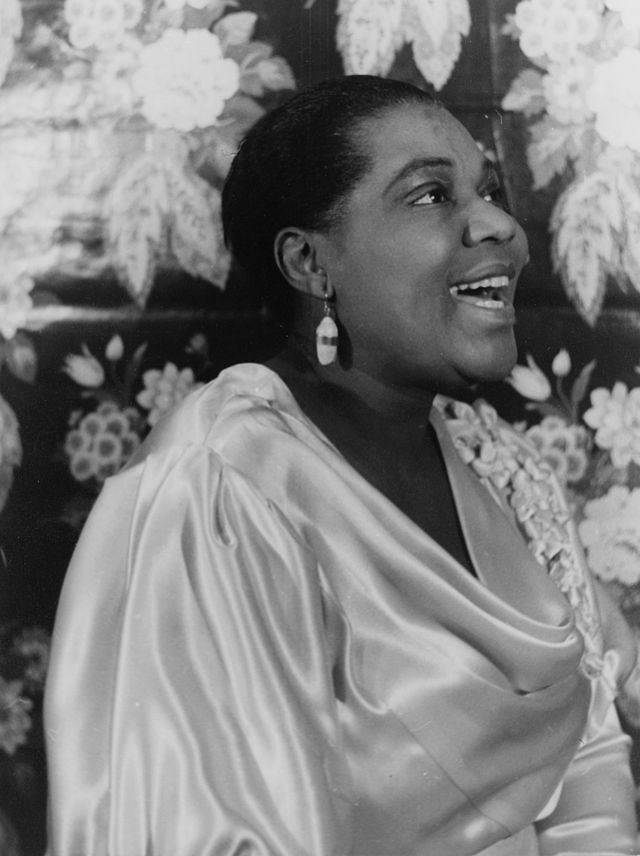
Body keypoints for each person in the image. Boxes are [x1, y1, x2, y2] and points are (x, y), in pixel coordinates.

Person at [44, 76, 639, 855]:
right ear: (311, 265)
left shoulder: (502, 466)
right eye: (432, 196)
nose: (500, 224)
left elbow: (589, 750)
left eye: (488, 191)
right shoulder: (219, 490)